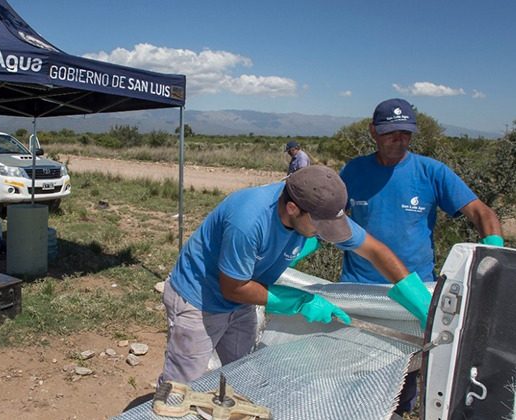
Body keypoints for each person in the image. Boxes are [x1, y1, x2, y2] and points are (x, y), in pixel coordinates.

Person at [158, 165, 432, 386]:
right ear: (292, 208)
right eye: (319, 226)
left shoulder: (318, 209)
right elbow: (233, 288)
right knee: (182, 389)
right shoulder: (249, 220)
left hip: (242, 299)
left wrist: (416, 296)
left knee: (239, 375)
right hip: (200, 299)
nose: (325, 232)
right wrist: (299, 302)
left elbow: (375, 250)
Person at [338, 98, 504, 414]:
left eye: (405, 133)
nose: (398, 140)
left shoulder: (431, 172)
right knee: (353, 377)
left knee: (402, 384)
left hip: (413, 298)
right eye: (390, 133)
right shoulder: (354, 171)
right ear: (373, 131)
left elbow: (481, 212)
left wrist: (494, 261)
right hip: (359, 293)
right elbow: (328, 220)